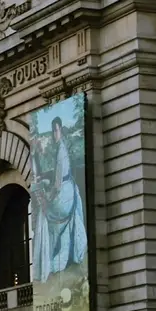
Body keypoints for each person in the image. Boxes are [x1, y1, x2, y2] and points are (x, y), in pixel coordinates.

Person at [30, 114, 87, 283]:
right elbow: (57, 176)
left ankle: (47, 259)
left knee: (44, 211)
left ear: (60, 130)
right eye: (53, 130)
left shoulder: (60, 150)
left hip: (65, 193)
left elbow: (57, 185)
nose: (54, 134)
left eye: (56, 130)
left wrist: (48, 197)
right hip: (69, 188)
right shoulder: (60, 147)